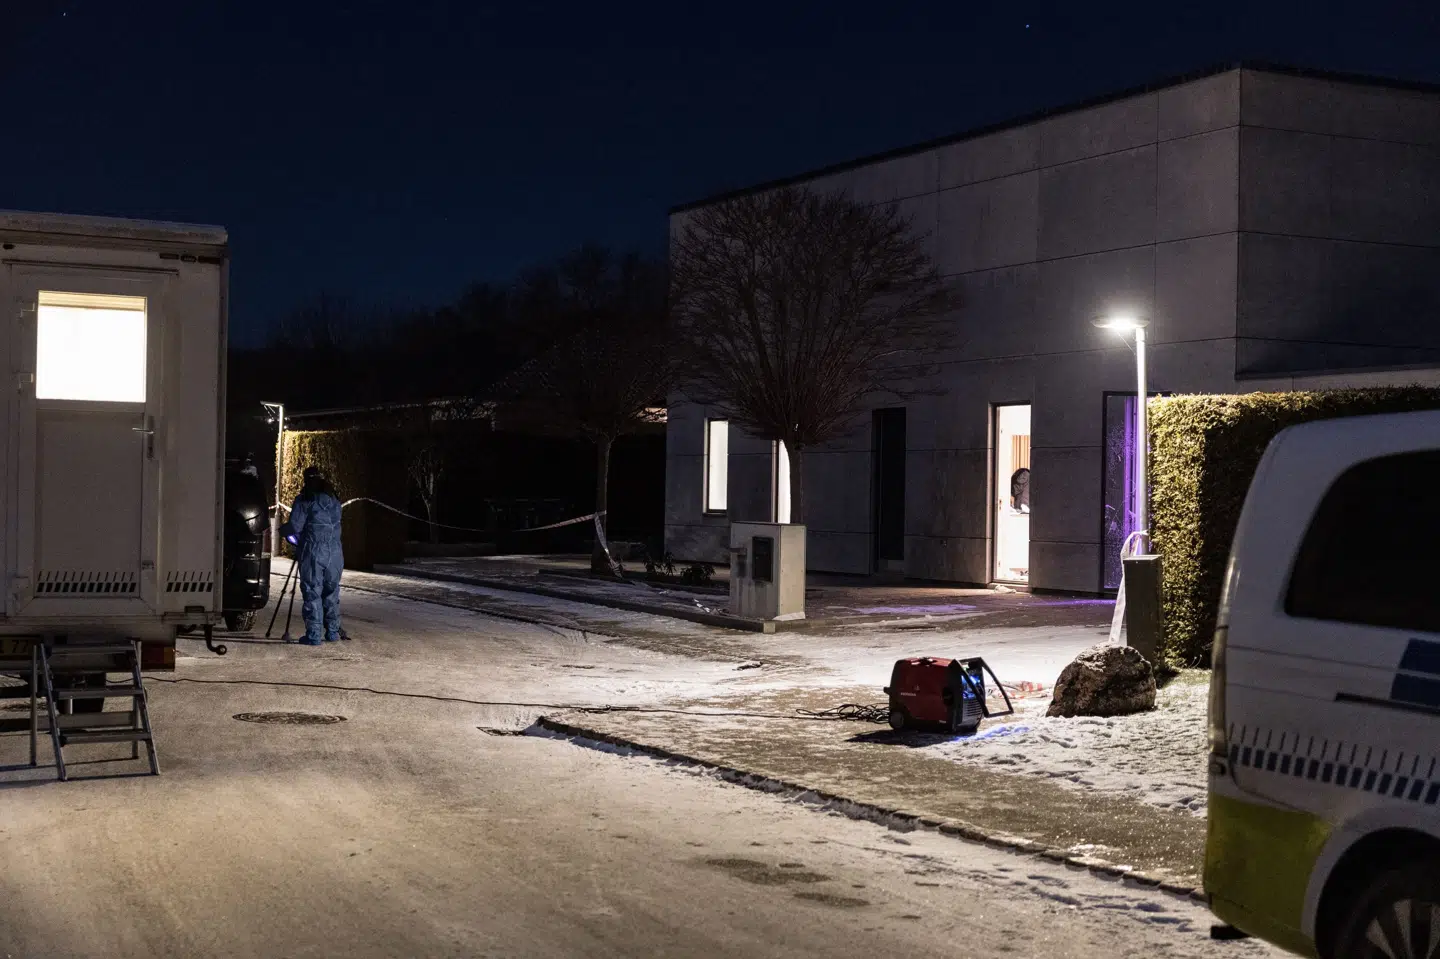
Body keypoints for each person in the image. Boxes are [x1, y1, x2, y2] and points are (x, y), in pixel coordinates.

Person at [282, 466, 345, 646]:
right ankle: (333, 632)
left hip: (314, 551)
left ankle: (314, 635)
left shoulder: (305, 499)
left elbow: (295, 527)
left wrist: (283, 531)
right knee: (331, 592)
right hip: (335, 552)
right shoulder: (334, 500)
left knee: (312, 591)